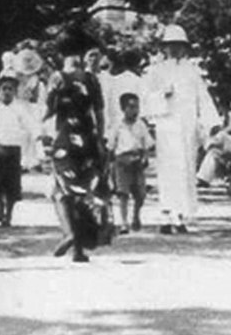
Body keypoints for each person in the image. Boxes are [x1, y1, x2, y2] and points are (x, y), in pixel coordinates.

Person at [142, 24, 218, 235]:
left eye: (178, 45)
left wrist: (211, 123)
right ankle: (166, 214)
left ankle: (180, 215)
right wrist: (160, 96)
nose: (174, 49)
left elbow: (203, 98)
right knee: (167, 171)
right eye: (170, 45)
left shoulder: (192, 71)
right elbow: (145, 99)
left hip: (187, 127)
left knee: (185, 170)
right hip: (166, 127)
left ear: (184, 48)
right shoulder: (156, 71)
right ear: (164, 47)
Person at [46, 59, 108, 263]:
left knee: (61, 191)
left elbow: (48, 111)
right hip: (88, 139)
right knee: (84, 190)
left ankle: (69, 233)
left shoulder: (57, 78)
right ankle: (79, 249)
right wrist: (100, 139)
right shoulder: (92, 79)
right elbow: (99, 113)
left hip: (66, 139)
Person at [0, 71, 42, 228]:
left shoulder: (20, 109)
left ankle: (8, 213)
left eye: (10, 89)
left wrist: (38, 135)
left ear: (15, 92)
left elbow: (30, 124)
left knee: (12, 184)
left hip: (14, 150)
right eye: (4, 89)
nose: (7, 92)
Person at [107, 91, 154, 233]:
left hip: (137, 160)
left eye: (137, 107)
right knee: (123, 193)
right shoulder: (118, 126)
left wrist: (145, 157)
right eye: (131, 107)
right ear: (123, 109)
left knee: (140, 194)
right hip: (122, 161)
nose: (135, 111)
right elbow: (110, 145)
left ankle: (136, 216)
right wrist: (110, 165)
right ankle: (124, 222)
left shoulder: (141, 125)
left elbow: (147, 144)